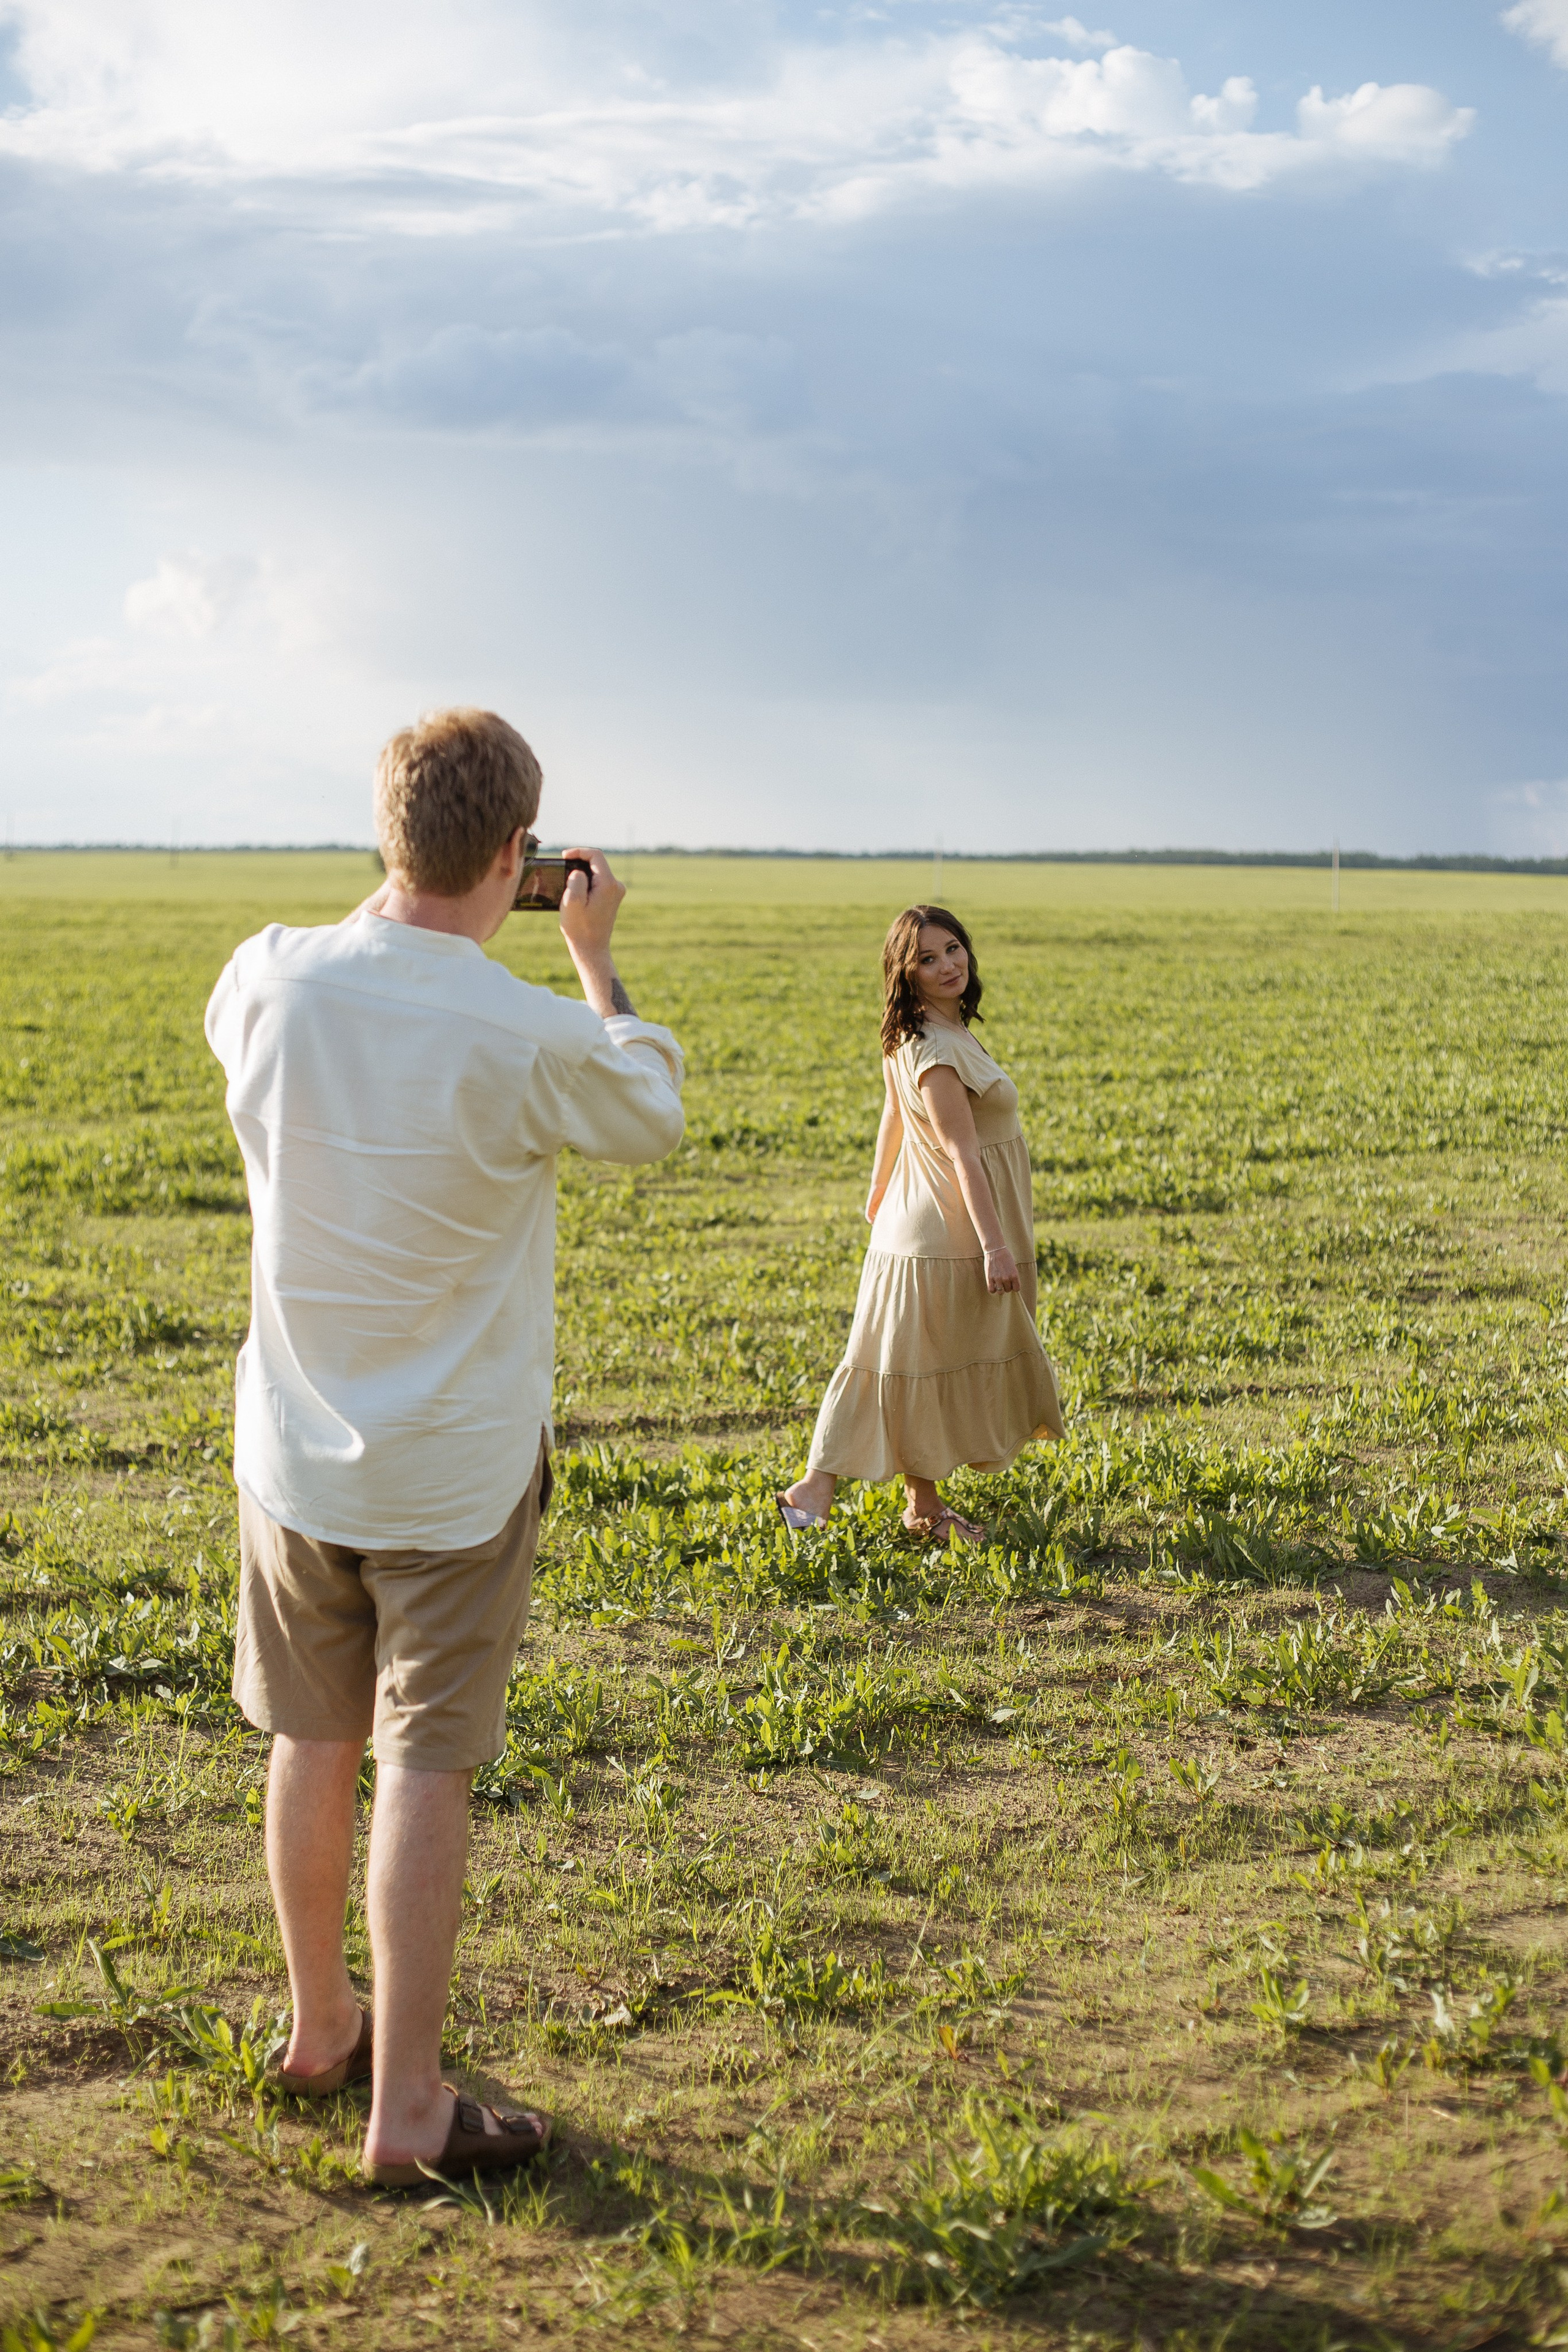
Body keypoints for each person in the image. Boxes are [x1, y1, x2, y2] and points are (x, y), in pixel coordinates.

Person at [205, 709, 684, 2188]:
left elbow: (318, 978)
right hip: (456, 1470)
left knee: (310, 1734)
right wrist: (593, 962)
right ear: (516, 855)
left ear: (382, 829)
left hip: (294, 1445)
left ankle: (317, 2024)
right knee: (424, 1760)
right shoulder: (522, 1024)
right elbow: (650, 1110)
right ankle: (410, 2103)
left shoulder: (264, 974)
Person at [778, 904, 1062, 1543]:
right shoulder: (935, 1051)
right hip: (949, 1232)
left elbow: (891, 1118)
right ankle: (819, 1486)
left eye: (953, 949)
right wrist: (995, 1245)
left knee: (912, 1364)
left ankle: (914, 1508)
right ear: (904, 973)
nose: (947, 966)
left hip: (916, 1221)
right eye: (927, 959)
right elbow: (961, 1152)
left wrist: (877, 1194)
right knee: (912, 1364)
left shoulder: (919, 1034)